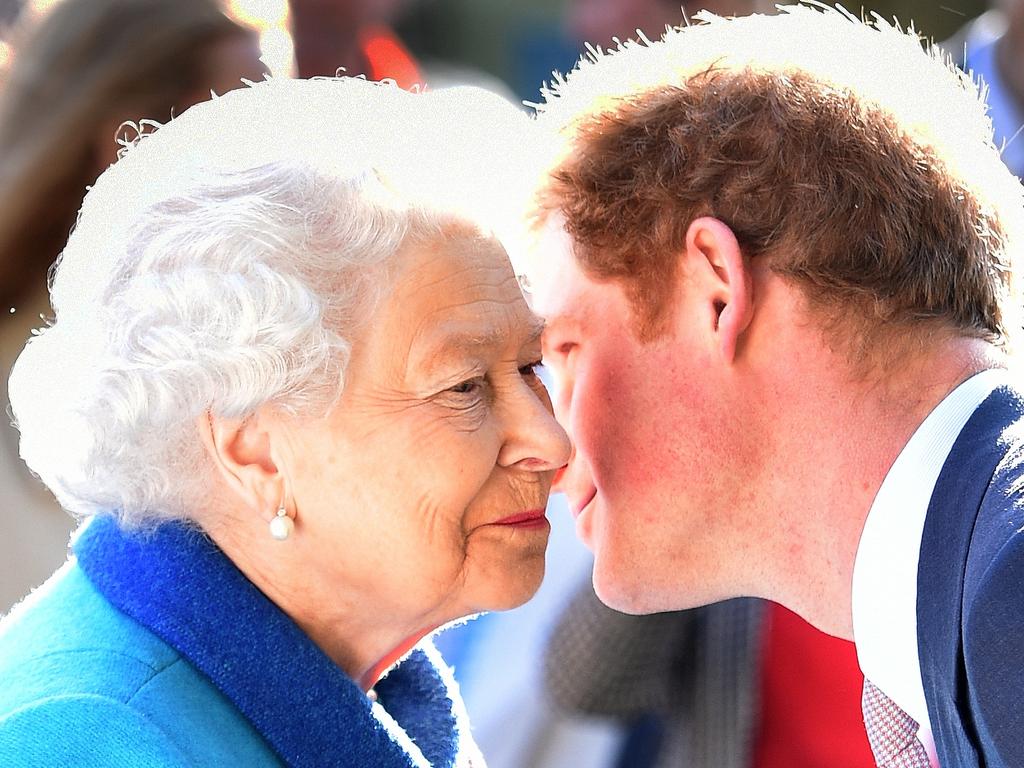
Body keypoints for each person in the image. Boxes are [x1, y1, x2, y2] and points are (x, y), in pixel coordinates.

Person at [0, 76, 570, 766]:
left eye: (532, 366)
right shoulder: (84, 739)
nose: (550, 441)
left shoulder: (376, 686)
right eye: (466, 385)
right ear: (258, 454)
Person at [525, 5, 1024, 768]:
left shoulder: (1008, 602)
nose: (541, 443)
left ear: (716, 289)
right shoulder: (976, 596)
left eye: (565, 350)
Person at [0, 0, 267, 615]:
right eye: (249, 116)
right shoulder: (70, 376)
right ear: (128, 146)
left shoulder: (259, 352)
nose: (288, 160)